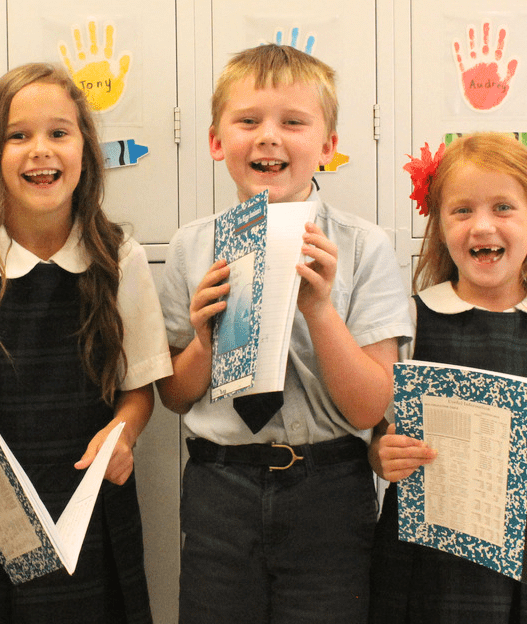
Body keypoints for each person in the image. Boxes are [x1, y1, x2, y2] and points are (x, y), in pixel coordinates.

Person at [156, 43, 413, 624]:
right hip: (221, 484)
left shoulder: (361, 246)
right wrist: (204, 340)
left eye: (293, 122)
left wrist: (321, 310)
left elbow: (374, 403)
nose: (269, 136)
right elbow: (174, 395)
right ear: (217, 141)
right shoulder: (189, 248)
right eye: (248, 121)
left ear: (328, 147)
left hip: (329, 485)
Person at [0, 62, 172, 624]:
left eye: (59, 133)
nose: (41, 150)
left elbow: (139, 392)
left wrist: (123, 433)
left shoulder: (119, 259)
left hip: (91, 513)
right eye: (17, 135)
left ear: (85, 149)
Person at [368, 132, 527, 623]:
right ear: (438, 224)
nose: (483, 226)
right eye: (462, 211)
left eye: (503, 207)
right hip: (425, 562)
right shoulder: (412, 321)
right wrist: (382, 454)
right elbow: (375, 431)